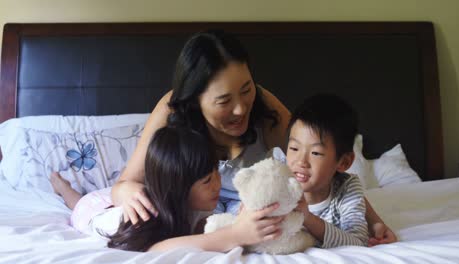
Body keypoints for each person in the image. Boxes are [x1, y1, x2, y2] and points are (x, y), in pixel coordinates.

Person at [108, 29, 396, 245]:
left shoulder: (264, 107)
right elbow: (124, 185)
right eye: (224, 101)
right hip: (199, 223)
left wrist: (373, 222)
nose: (240, 108)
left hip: (256, 219)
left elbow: (319, 160)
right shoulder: (171, 111)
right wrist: (128, 193)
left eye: (246, 89)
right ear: (195, 100)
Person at [52, 126, 284, 252]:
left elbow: (205, 229)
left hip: (124, 197)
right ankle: (63, 187)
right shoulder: (145, 220)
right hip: (96, 210)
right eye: (207, 181)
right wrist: (234, 235)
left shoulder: (192, 204)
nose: (218, 185)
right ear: (179, 189)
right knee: (76, 204)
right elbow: (158, 249)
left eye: (216, 173)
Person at [271, 94, 396, 247]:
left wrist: (308, 218)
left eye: (315, 153)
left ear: (344, 162)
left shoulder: (347, 189)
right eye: (294, 148)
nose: (301, 161)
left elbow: (358, 242)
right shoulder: (278, 180)